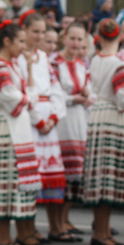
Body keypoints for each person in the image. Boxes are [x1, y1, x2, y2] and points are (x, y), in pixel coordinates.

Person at [0, 20, 42, 245]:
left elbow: (28, 95)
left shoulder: (12, 65)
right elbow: (14, 99)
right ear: (7, 41)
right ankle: (2, 236)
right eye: (21, 41)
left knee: (16, 183)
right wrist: (30, 98)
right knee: (6, 185)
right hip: (6, 128)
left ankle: (16, 234)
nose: (24, 47)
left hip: (16, 127)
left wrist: (30, 70)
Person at [17, 10, 70, 243]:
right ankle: (26, 229)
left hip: (48, 120)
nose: (38, 36)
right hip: (31, 120)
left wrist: (53, 118)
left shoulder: (44, 57)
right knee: (29, 177)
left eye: (42, 31)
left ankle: (50, 226)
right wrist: (38, 119)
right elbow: (23, 91)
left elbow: (57, 90)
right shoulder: (19, 57)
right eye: (34, 31)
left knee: (51, 175)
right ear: (25, 31)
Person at [50, 22, 94, 238]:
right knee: (62, 174)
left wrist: (86, 94)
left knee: (75, 175)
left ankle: (65, 219)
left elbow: (90, 91)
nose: (76, 43)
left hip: (78, 123)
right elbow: (52, 95)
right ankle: (56, 223)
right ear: (65, 38)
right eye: (73, 38)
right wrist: (74, 98)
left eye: (80, 39)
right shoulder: (54, 63)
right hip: (62, 123)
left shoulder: (81, 64)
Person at [83, 19, 124, 245]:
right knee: (107, 177)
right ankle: (101, 234)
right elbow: (122, 98)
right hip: (111, 120)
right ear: (119, 36)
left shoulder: (96, 59)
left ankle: (102, 231)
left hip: (97, 116)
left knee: (99, 176)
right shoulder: (118, 64)